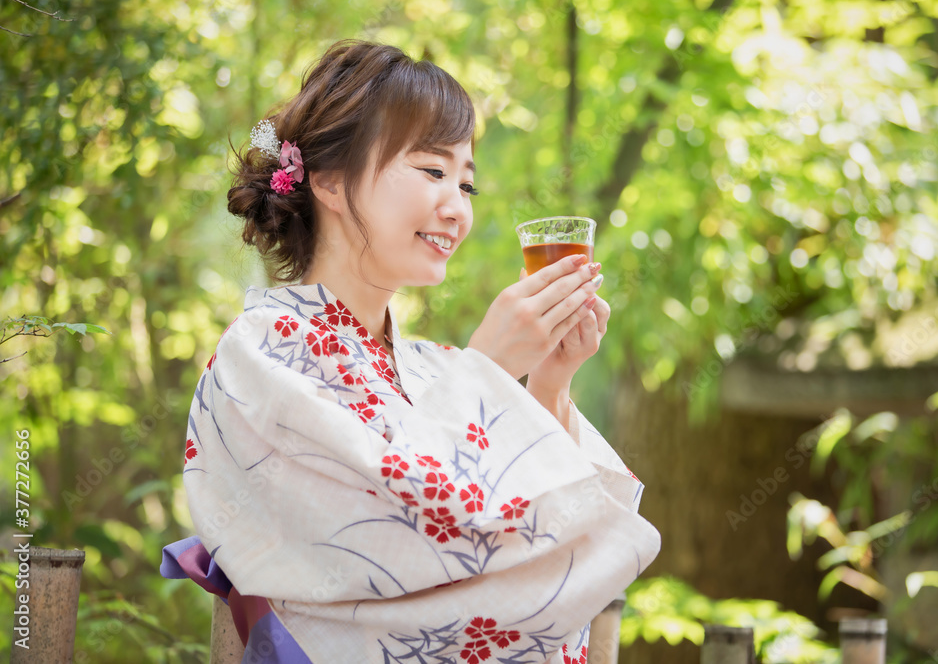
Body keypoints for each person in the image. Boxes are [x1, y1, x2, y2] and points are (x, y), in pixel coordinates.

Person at [161, 39, 660, 664]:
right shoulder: (261, 353)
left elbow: (555, 538)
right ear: (331, 181)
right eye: (431, 171)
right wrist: (491, 369)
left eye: (467, 184)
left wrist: (550, 387)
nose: (456, 208)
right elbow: (398, 540)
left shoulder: (436, 368)